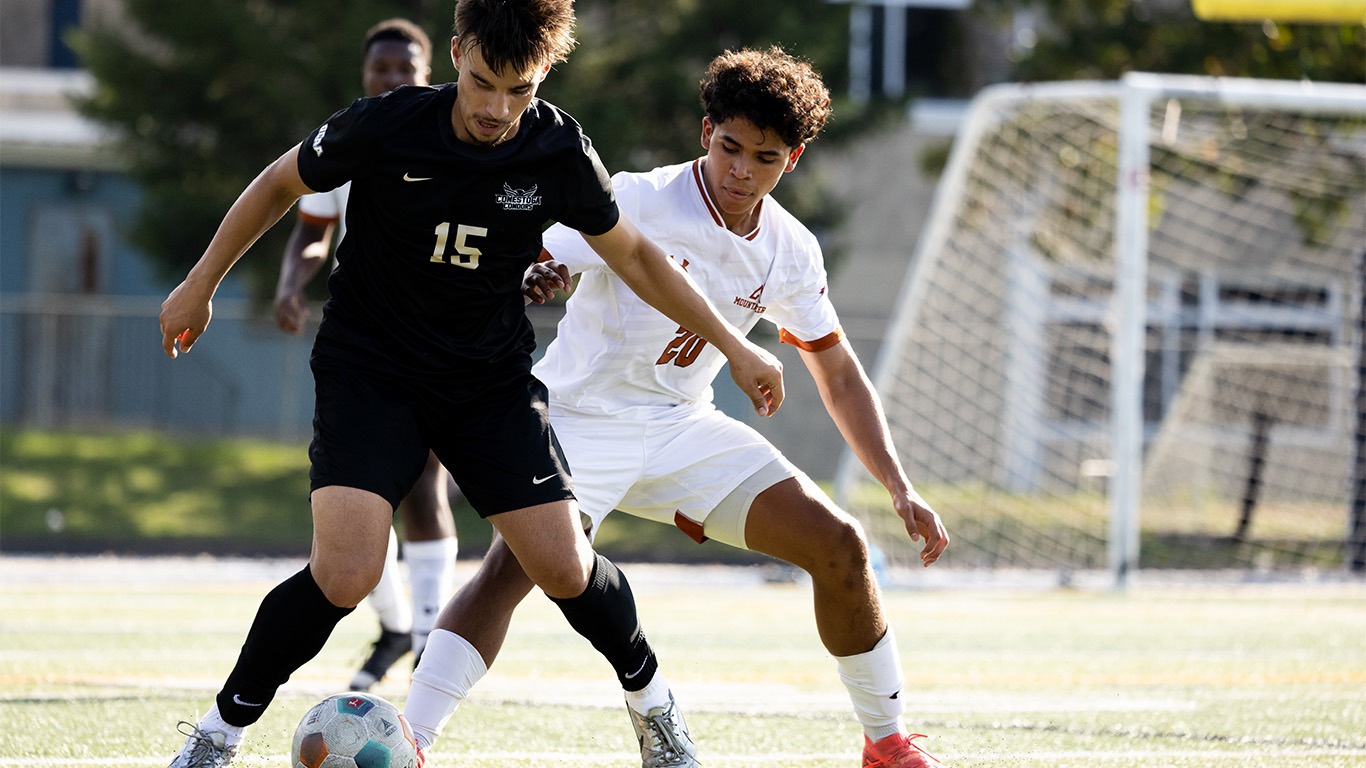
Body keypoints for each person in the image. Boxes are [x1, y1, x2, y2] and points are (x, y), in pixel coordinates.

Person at [158, 2, 784, 767]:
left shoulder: (559, 149)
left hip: (486, 381)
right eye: (482, 82)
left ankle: (656, 715)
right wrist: (199, 284)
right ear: (455, 54)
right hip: (372, 371)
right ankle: (215, 738)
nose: (495, 109)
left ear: (543, 76)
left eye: (517, 90)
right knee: (346, 574)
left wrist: (735, 345)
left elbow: (638, 258)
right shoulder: (386, 123)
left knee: (564, 567)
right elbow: (279, 185)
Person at [403, 47, 951, 768]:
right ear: (705, 133)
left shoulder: (791, 248)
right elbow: (545, 254)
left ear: (795, 157)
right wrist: (543, 274)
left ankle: (887, 744)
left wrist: (899, 486)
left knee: (841, 545)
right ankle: (407, 741)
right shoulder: (639, 196)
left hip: (681, 427)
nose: (741, 171)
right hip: (576, 419)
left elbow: (838, 372)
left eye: (765, 157)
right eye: (729, 147)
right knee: (511, 574)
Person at [273, 17, 459, 692]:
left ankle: (432, 641)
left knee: (424, 485)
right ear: (364, 75)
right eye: (379, 68)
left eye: (404, 68)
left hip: (441, 340)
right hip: (366, 341)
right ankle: (396, 626)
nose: (390, 79)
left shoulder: (451, 133)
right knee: (355, 497)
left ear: (429, 69)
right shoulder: (348, 138)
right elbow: (313, 232)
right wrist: (292, 284)